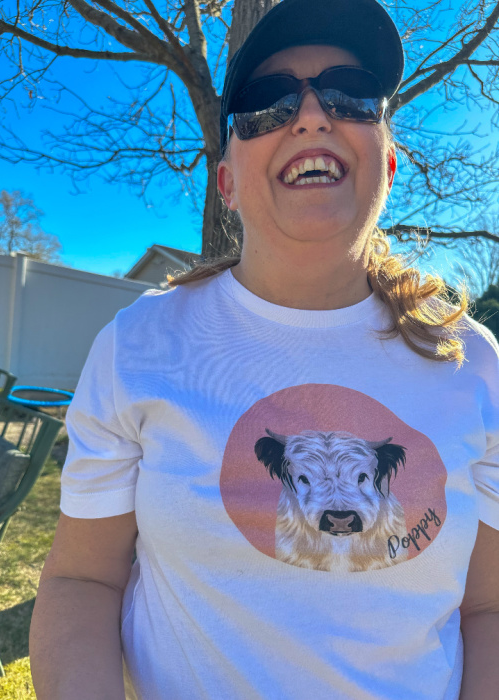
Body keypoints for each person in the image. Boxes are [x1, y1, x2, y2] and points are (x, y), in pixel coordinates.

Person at [29, 0, 499, 698]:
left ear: (389, 162)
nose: (310, 116)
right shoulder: (139, 345)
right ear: (225, 181)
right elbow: (82, 578)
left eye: (350, 94)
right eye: (266, 102)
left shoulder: (473, 364)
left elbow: (487, 606)